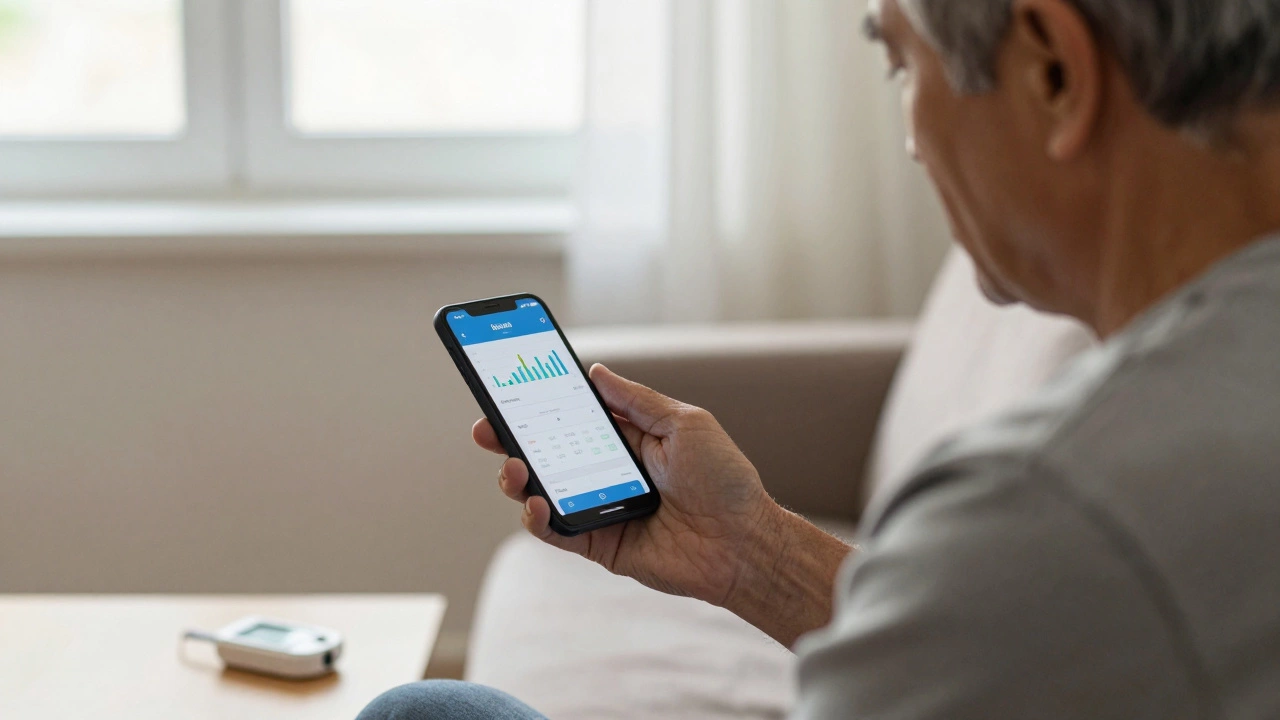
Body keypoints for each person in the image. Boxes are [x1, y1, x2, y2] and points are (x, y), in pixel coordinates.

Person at [361, 0, 1280, 716]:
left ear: (1052, 69)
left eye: (900, 62)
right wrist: (752, 551)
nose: (914, 141)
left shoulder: (1045, 506)